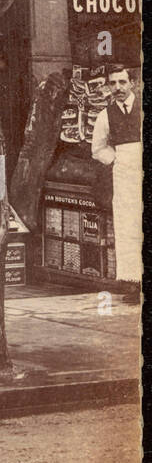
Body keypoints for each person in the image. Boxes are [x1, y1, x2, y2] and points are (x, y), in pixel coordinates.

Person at [90, 64, 142, 303]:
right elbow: (98, 148)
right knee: (127, 225)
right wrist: (117, 158)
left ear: (132, 82)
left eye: (122, 82)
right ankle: (132, 282)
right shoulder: (105, 115)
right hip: (124, 174)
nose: (118, 88)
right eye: (113, 83)